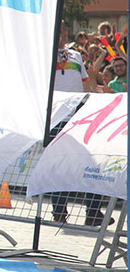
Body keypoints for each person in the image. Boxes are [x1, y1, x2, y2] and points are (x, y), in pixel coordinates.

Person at [51, 22, 110, 226]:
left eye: (64, 31)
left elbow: (86, 84)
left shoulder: (75, 55)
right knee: (60, 165)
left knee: (90, 162)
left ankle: (93, 212)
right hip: (56, 117)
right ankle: (59, 210)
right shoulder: (44, 55)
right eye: (57, 31)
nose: (61, 35)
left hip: (78, 114)